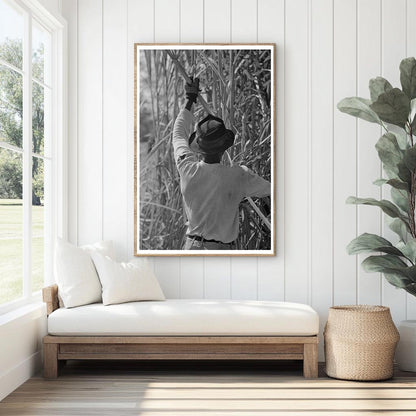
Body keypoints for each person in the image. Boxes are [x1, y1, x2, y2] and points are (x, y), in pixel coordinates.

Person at [172, 77, 271, 250]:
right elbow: (272, 190)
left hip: (192, 248)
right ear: (224, 147)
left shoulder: (186, 167)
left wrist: (190, 98)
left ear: (199, 147)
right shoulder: (240, 176)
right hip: (221, 251)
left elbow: (178, 133)